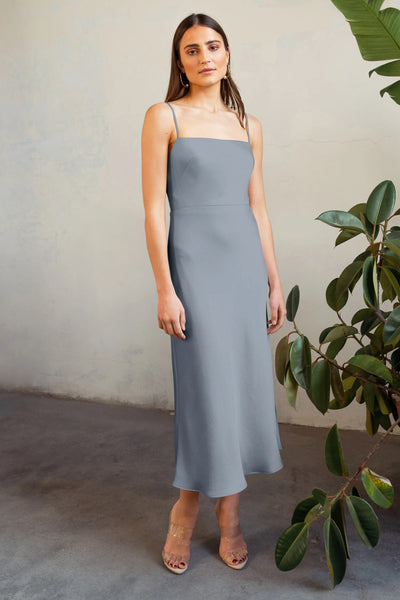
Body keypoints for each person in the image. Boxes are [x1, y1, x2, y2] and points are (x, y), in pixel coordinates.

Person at [141, 13, 286, 574]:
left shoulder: (249, 125)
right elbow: (155, 208)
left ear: (227, 54)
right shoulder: (164, 116)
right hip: (193, 268)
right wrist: (164, 287)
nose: (205, 56)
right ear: (180, 61)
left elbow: (259, 208)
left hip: (244, 268)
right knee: (205, 393)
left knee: (242, 390)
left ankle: (230, 515)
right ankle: (185, 508)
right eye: (192, 49)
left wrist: (274, 281)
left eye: (214, 46)